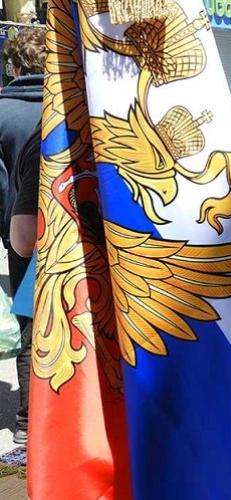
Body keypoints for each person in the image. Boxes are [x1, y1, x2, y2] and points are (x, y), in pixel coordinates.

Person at [0, 28, 45, 446]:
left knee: (29, 323)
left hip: (21, 233)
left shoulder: (2, 112)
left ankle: (30, 418)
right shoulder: (70, 110)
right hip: (71, 231)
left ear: (13, 67)